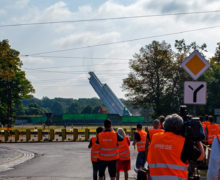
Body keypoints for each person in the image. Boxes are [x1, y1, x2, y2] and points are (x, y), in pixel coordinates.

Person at [147, 114, 205, 179]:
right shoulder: (182, 142)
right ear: (180, 127)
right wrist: (198, 140)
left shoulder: (155, 137)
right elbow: (201, 156)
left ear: (164, 125)